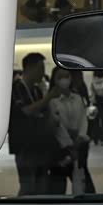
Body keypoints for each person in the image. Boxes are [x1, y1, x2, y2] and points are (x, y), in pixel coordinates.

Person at [8, 53, 60, 195]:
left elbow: (42, 113)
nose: (43, 73)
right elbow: (26, 111)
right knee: (28, 185)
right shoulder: (16, 88)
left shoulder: (37, 90)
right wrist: (48, 97)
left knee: (41, 185)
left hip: (39, 144)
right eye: (40, 68)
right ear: (30, 68)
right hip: (24, 145)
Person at [48, 67, 96, 194]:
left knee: (84, 186)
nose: (64, 80)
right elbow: (57, 125)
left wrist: (80, 137)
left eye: (66, 76)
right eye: (60, 77)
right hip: (60, 149)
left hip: (79, 146)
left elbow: (83, 119)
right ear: (54, 80)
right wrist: (69, 144)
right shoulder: (52, 101)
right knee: (57, 187)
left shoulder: (78, 98)